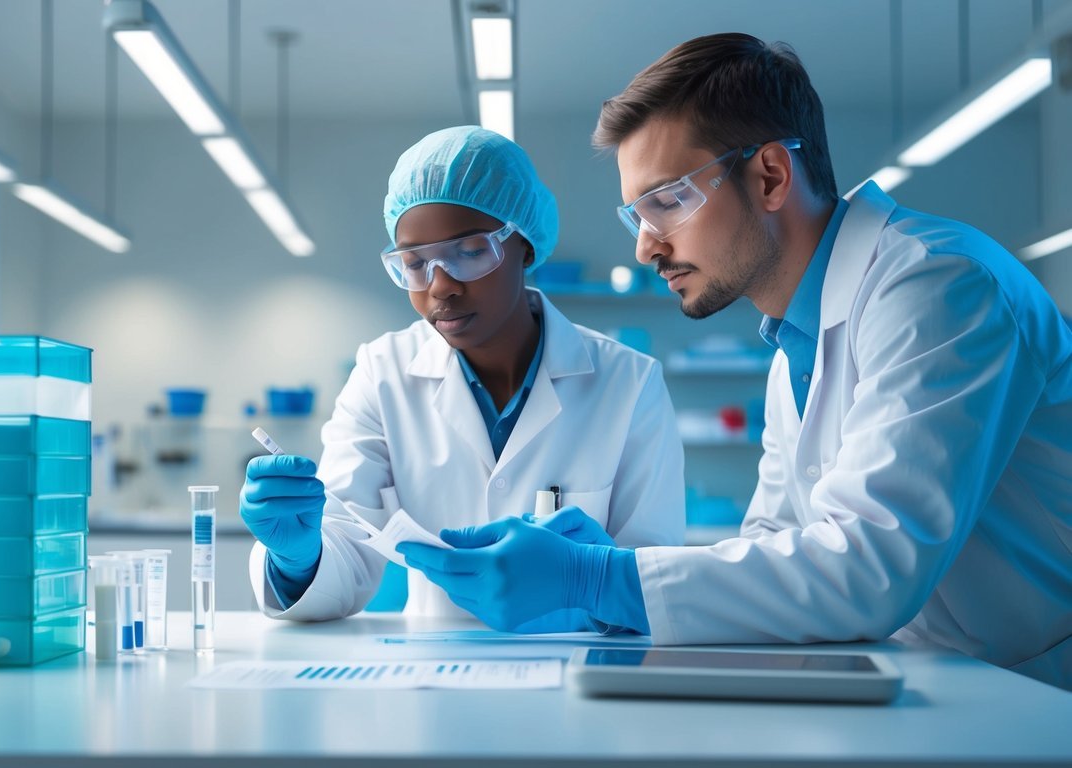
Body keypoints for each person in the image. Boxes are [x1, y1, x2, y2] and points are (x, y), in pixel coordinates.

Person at [399, 34, 1072, 689]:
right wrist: (613, 573)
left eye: (665, 203)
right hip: (931, 685)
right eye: (634, 215)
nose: (645, 248)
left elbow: (870, 567)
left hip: (1031, 696)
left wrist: (598, 579)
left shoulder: (935, 286)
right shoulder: (794, 345)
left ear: (770, 175)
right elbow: (774, 546)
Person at [240, 126, 684, 629]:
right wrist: (298, 557)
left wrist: (590, 577)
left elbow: (654, 583)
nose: (441, 286)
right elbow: (348, 548)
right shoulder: (382, 373)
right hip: (431, 683)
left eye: (470, 251)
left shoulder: (629, 382)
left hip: (577, 675)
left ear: (526, 247)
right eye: (414, 263)